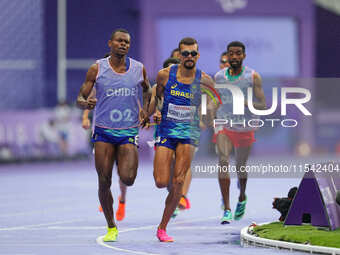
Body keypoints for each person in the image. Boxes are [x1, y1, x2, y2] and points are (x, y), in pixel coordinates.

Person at [77, 28, 151, 242]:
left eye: (127, 42)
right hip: (103, 130)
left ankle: (121, 163)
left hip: (128, 131)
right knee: (104, 180)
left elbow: (147, 90)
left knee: (128, 179)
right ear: (110, 43)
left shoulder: (139, 69)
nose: (123, 44)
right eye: (119, 41)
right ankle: (111, 227)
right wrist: (85, 103)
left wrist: (146, 109)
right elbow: (80, 98)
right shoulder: (97, 68)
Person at [153, 37, 214, 242]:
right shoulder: (164, 75)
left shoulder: (204, 79)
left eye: (193, 53)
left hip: (189, 133)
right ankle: (173, 192)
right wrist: (155, 112)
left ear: (198, 55)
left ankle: (162, 228)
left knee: (179, 180)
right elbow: (156, 97)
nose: (189, 57)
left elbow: (214, 101)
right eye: (185, 53)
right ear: (179, 55)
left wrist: (207, 115)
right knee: (162, 182)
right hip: (167, 132)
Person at [213, 41, 266, 224]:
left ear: (243, 56)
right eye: (231, 54)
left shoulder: (252, 76)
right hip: (225, 126)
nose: (234, 57)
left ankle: (242, 196)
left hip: (244, 127)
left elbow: (262, 104)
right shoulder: (219, 77)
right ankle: (226, 208)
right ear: (227, 56)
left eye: (238, 53)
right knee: (223, 161)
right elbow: (214, 99)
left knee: (241, 167)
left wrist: (244, 102)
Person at [81, 54, 127, 222]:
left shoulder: (125, 81)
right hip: (102, 132)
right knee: (104, 173)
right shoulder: (98, 80)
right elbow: (90, 99)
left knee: (123, 175)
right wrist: (85, 117)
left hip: (122, 132)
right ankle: (107, 199)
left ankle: (122, 199)